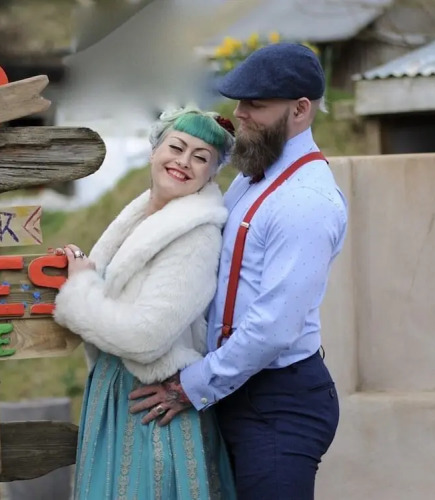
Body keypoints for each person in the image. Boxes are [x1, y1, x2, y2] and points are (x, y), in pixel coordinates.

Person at [129, 43, 348, 499]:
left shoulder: (306, 201)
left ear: (300, 110)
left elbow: (274, 328)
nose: (240, 113)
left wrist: (190, 386)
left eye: (257, 104)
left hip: (277, 405)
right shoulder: (254, 176)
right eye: (240, 100)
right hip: (236, 389)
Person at [52, 106, 238, 499]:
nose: (183, 162)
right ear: (154, 150)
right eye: (177, 147)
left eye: (200, 157)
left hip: (150, 402)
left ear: (211, 173)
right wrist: (79, 269)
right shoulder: (142, 215)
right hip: (114, 390)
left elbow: (146, 336)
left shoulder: (195, 237)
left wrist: (80, 291)